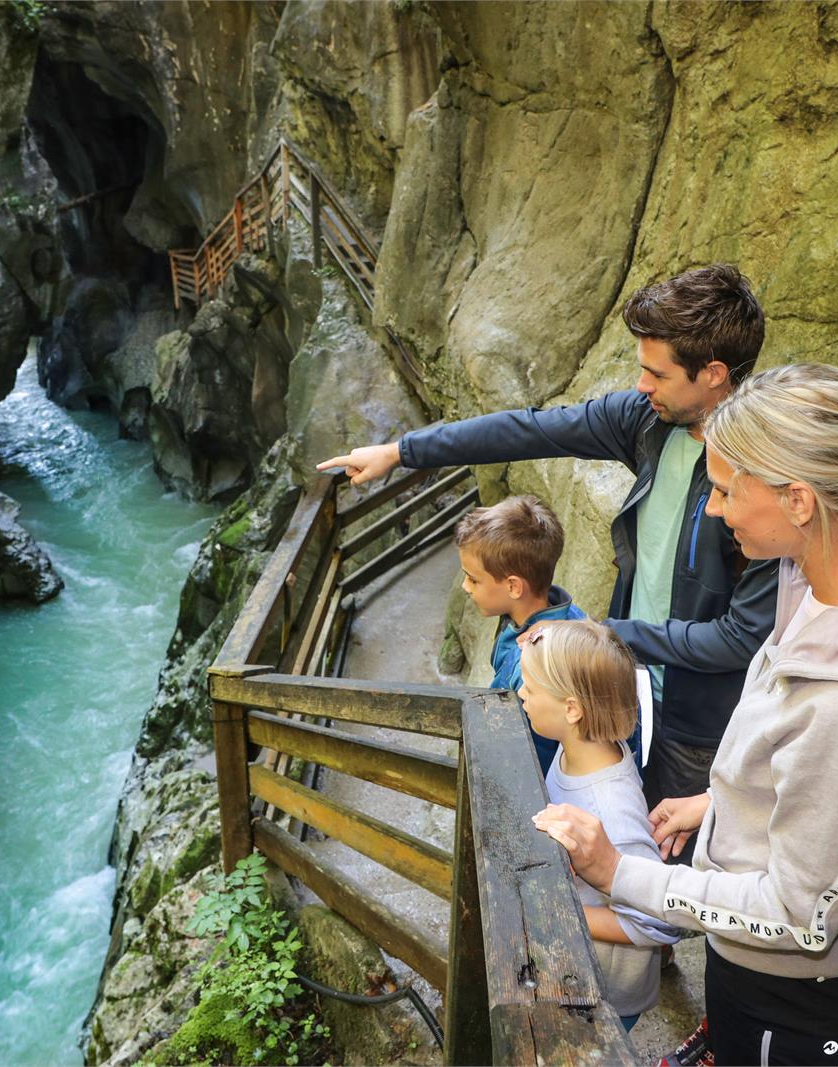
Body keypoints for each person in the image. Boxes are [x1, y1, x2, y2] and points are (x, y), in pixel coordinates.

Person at [532, 363, 838, 1067]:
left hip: (791, 995)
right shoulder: (822, 577)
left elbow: (796, 916)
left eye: (722, 489)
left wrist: (616, 872)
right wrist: (722, 802)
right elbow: (805, 772)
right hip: (748, 963)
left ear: (799, 500)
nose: (715, 509)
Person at [318, 264, 778, 861]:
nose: (641, 385)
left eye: (656, 372)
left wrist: (606, 635)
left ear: (714, 375)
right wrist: (402, 451)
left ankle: (648, 951)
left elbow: (741, 640)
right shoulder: (648, 423)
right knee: (614, 828)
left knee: (669, 864)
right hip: (630, 685)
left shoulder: (763, 482)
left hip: (700, 719)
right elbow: (527, 430)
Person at [517, 619, 680, 1031]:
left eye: (530, 688)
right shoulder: (582, 746)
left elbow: (658, 922)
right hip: (581, 960)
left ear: (572, 709)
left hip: (608, 992)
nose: (520, 694)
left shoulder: (612, 808)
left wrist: (560, 912)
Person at [453, 495, 585, 776]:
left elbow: (526, 753)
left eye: (473, 578)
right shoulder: (568, 613)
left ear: (513, 587)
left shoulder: (531, 666)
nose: (465, 586)